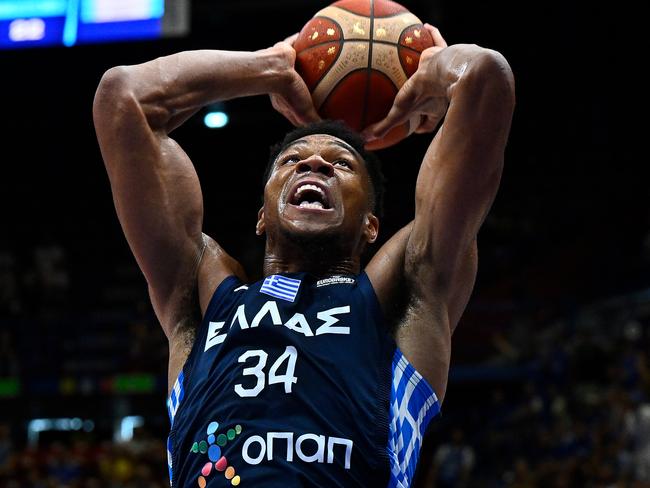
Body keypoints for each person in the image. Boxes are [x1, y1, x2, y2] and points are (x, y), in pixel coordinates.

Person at [93, 22, 514, 488]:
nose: (314, 163)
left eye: (341, 165)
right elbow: (123, 96)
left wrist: (434, 68)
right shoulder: (201, 296)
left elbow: (485, 77)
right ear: (261, 217)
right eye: (291, 161)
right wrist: (270, 67)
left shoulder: (405, 293)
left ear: (371, 225)